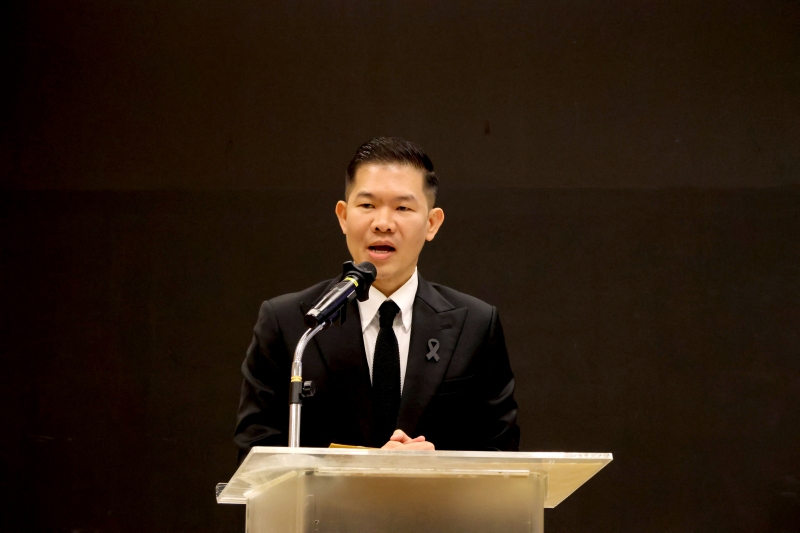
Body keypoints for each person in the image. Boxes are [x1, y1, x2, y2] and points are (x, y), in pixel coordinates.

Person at [234, 137, 519, 462]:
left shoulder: (476, 325)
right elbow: (255, 459)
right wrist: (368, 471)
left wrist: (437, 468)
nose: (383, 223)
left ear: (431, 223)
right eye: (367, 205)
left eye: (402, 208)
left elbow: (503, 458)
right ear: (343, 216)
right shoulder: (290, 325)